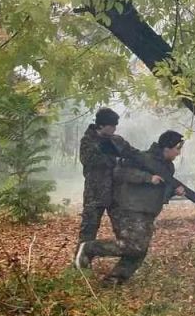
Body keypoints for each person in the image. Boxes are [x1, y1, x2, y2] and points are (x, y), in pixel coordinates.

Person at [74, 130, 186, 285]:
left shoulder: (168, 167)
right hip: (129, 207)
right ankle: (90, 248)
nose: (178, 153)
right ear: (167, 148)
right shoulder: (142, 158)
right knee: (132, 246)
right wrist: (147, 178)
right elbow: (120, 173)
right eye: (177, 149)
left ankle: (114, 280)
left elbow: (160, 192)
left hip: (148, 211)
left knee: (140, 250)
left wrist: (174, 191)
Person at [77, 108, 137, 245]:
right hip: (95, 193)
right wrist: (115, 160)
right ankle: (81, 263)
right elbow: (88, 160)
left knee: (124, 231)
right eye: (111, 126)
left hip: (116, 193)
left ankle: (127, 261)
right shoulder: (88, 141)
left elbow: (134, 154)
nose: (114, 129)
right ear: (101, 125)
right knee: (88, 231)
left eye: (115, 125)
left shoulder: (117, 141)